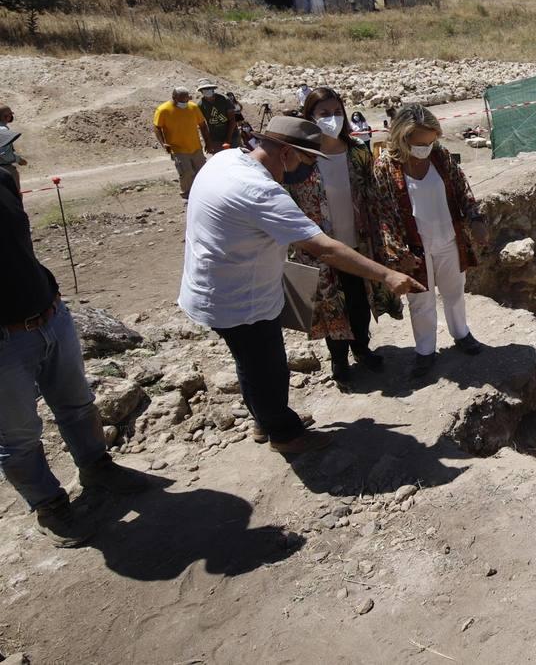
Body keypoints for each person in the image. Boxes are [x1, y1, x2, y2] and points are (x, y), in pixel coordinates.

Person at [177, 117, 423, 454]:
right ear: (287, 155)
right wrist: (387, 275)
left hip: (212, 289)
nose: (308, 172)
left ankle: (265, 419)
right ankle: (285, 435)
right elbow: (324, 247)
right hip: (240, 300)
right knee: (268, 368)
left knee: (250, 362)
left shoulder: (224, 160)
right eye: (307, 162)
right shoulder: (260, 191)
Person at [0, 168, 149, 547]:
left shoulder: (2, 177)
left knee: (77, 404)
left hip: (50, 315)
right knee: (18, 434)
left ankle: (96, 466)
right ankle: (49, 505)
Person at [286, 89, 400, 390]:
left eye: (337, 111)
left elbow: (375, 195)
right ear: (309, 117)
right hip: (318, 249)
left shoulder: (358, 152)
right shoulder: (299, 159)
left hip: (357, 244)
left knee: (359, 302)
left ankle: (362, 349)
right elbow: (286, 201)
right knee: (330, 306)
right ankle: (338, 359)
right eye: (324, 113)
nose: (332, 118)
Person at [371, 104, 488, 378]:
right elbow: (383, 213)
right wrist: (397, 252)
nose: (425, 147)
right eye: (419, 143)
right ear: (402, 137)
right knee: (420, 300)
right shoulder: (385, 167)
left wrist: (476, 219)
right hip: (414, 247)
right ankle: (425, 351)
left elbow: (463, 190)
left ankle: (461, 334)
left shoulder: (441, 156)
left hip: (448, 238)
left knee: (454, 291)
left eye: (430, 141)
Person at [153, 87, 211, 199]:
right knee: (186, 173)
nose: (185, 103)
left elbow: (203, 125)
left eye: (186, 100)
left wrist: (208, 142)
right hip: (177, 148)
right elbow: (157, 127)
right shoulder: (163, 110)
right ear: (174, 98)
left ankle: (202, 192)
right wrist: (163, 143)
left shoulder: (193, 107)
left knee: (201, 171)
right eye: (182, 100)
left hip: (195, 147)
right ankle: (187, 194)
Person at [197, 80, 238, 153]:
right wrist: (208, 142)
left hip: (232, 136)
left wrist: (228, 139)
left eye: (209, 88)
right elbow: (203, 126)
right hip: (215, 139)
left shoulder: (224, 99)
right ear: (201, 91)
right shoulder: (201, 105)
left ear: (213, 89)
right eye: (204, 89)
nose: (207, 91)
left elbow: (232, 120)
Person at [0, 104, 27, 194]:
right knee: (15, 198)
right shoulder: (3, 130)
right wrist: (18, 159)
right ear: (7, 117)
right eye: (10, 115)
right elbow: (4, 153)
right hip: (4, 169)